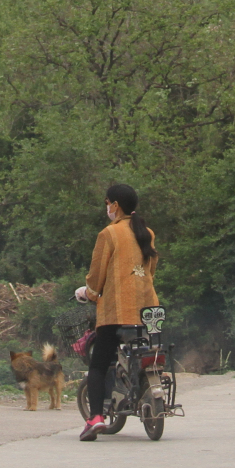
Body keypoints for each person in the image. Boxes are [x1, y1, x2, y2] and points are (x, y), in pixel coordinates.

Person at [73, 182, 159, 442]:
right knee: (148, 352)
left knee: (99, 365)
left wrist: (88, 293)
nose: (106, 207)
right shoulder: (148, 233)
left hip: (117, 312)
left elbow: (96, 277)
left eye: (107, 203)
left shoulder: (109, 234)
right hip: (149, 310)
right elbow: (150, 271)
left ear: (115, 205)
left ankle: (96, 418)